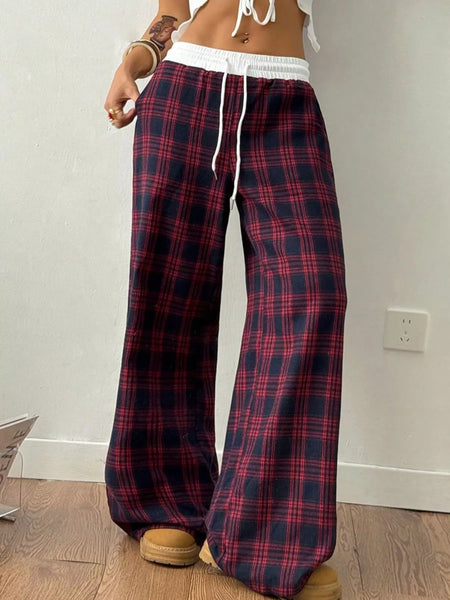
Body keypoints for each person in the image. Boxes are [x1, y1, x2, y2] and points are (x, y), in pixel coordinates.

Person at [103, 1, 347, 599]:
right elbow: (173, 12)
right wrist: (136, 58)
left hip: (285, 100)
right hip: (186, 90)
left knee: (313, 294)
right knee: (169, 300)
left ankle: (265, 533)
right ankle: (167, 498)